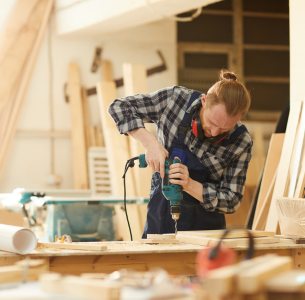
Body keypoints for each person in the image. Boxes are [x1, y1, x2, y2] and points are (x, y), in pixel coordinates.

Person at [108, 70, 252, 237]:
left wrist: (190, 185)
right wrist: (151, 144)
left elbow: (231, 200)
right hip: (161, 215)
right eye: (211, 122)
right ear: (204, 101)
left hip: (206, 230)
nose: (214, 133)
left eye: (225, 129)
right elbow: (118, 107)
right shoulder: (175, 100)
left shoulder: (241, 141)